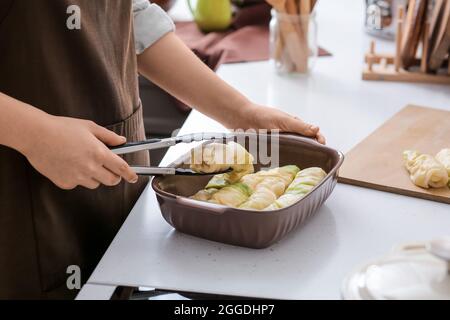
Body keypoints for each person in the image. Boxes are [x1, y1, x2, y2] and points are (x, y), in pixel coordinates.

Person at [0, 0, 325, 299]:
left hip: (117, 178)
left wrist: (241, 113)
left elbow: (132, 16)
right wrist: (35, 134)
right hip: (21, 198)